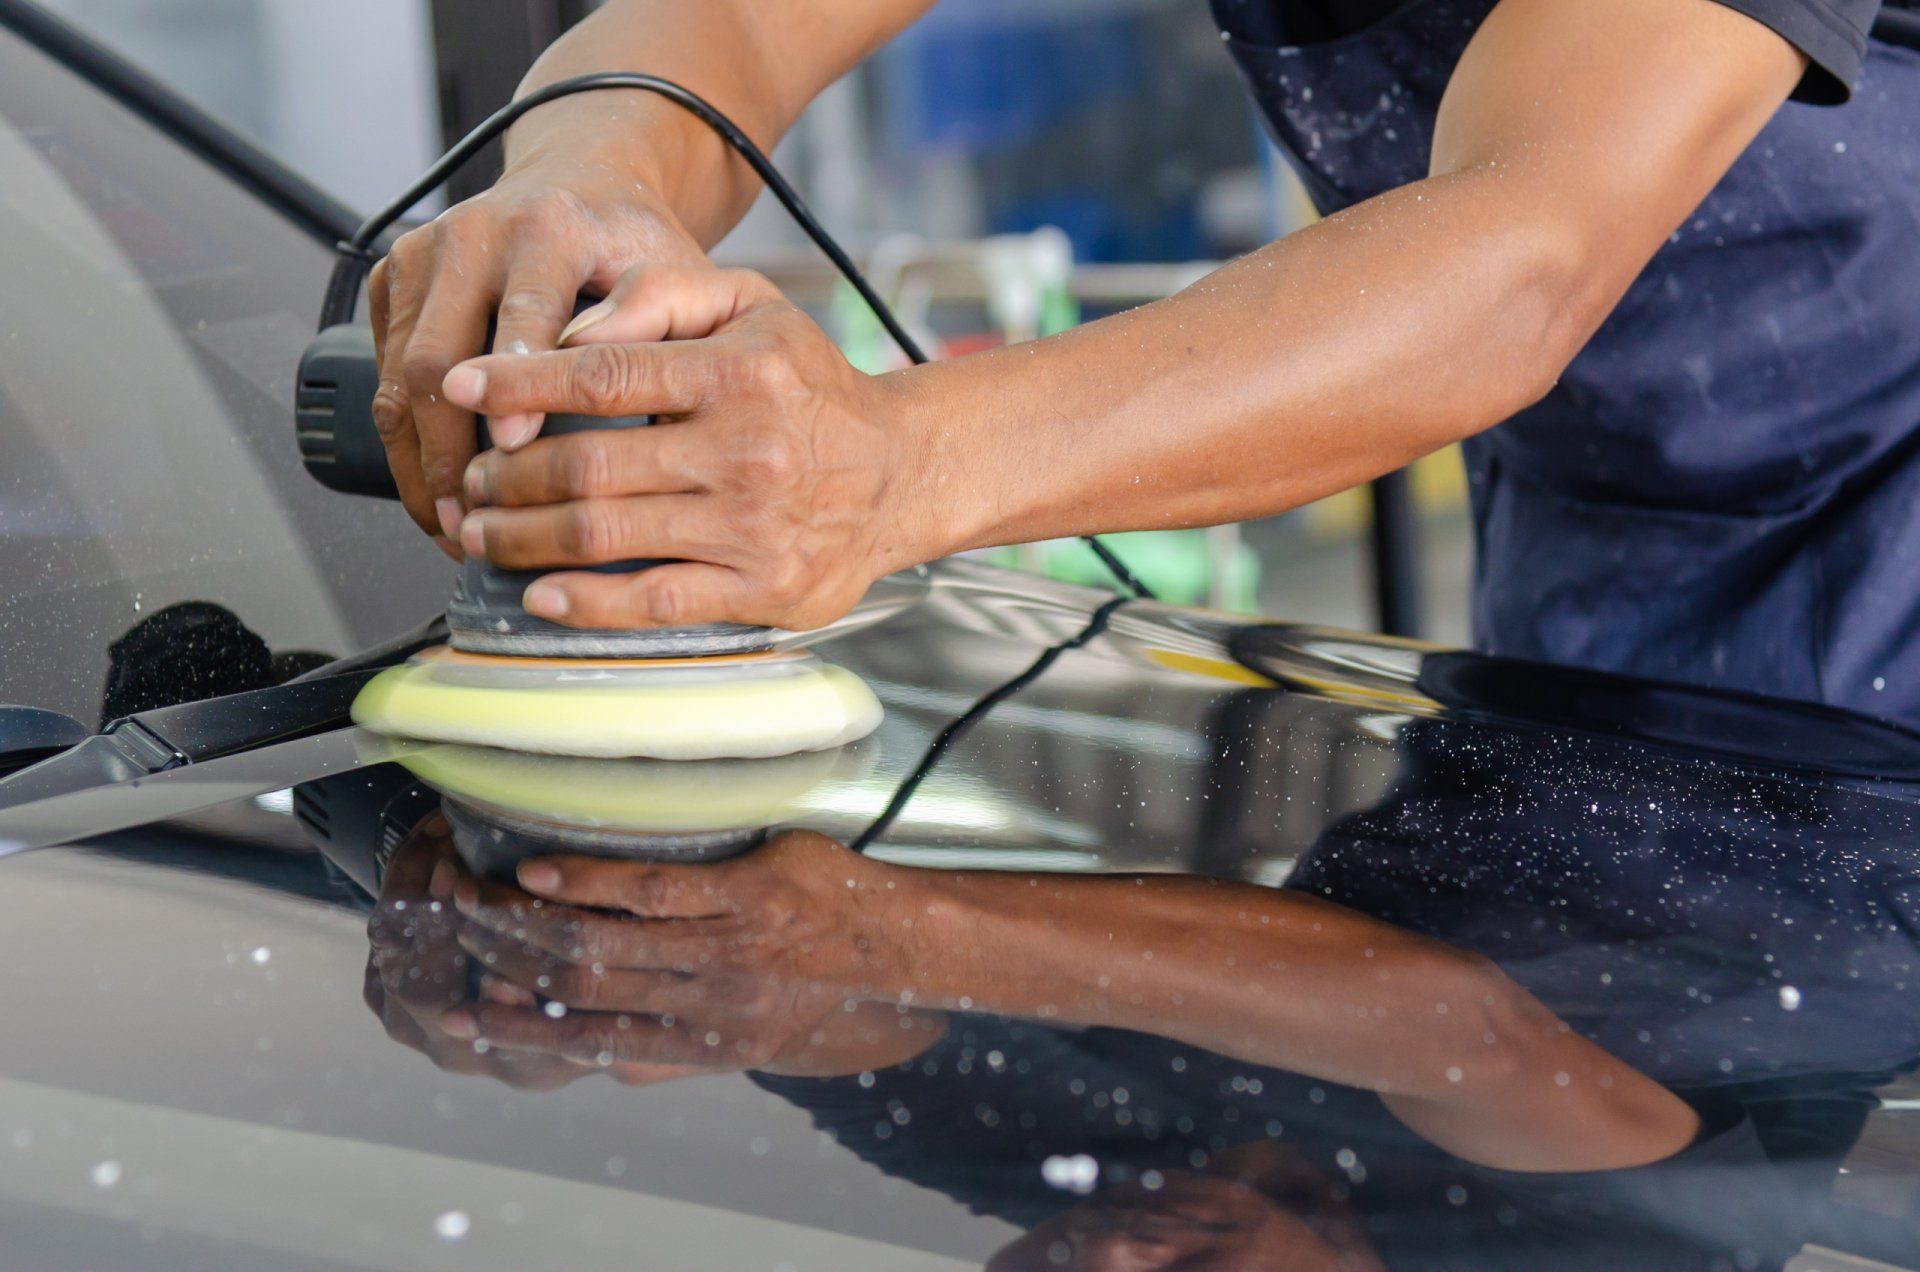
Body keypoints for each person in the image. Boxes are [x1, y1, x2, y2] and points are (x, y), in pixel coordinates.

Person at [367, 0, 1920, 717]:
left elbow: (1522, 253)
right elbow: (724, 34)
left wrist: (886, 466)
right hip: (1597, 544)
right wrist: (579, 188)